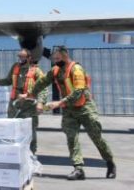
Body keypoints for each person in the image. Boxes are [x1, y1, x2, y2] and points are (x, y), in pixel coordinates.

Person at [23, 45, 116, 180]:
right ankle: (78, 169)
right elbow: (42, 82)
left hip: (85, 108)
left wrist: (59, 103)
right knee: (71, 138)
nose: (55, 61)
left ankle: (110, 163)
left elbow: (79, 92)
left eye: (58, 58)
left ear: (65, 56)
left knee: (96, 137)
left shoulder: (76, 69)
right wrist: (30, 94)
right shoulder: (55, 70)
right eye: (54, 58)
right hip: (69, 110)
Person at [0, 48, 48, 153]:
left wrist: (41, 102)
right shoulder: (15, 67)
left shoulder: (36, 71)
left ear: (29, 58)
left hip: (29, 105)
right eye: (19, 56)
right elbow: (8, 80)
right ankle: (14, 152)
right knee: (12, 128)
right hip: (14, 104)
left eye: (23, 56)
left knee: (29, 130)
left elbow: (43, 87)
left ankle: (31, 153)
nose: (20, 58)